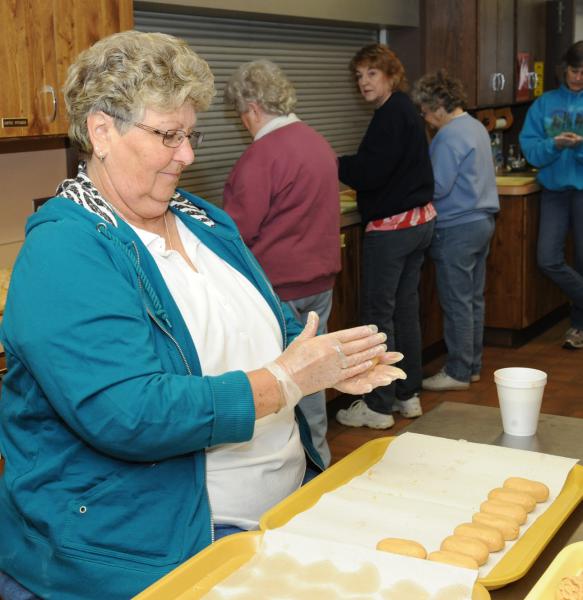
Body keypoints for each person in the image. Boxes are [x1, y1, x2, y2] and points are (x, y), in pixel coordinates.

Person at [0, 31, 406, 600]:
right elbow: (130, 414)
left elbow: (273, 326)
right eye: (168, 135)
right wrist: (284, 382)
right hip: (144, 552)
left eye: (192, 134)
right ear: (102, 131)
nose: (187, 155)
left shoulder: (204, 221)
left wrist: (327, 362)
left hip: (275, 520)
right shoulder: (66, 252)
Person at [222, 59, 341, 467]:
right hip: (320, 283)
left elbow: (235, 235)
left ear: (252, 107)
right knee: (314, 377)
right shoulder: (318, 143)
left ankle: (292, 472)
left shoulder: (261, 158)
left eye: (241, 115)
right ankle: (320, 463)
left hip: (278, 290)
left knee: (283, 384)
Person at [335, 43, 435, 430]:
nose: (364, 82)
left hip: (392, 231)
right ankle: (407, 395)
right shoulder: (405, 110)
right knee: (405, 312)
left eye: (371, 74)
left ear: (391, 75)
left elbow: (369, 172)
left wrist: (335, 163)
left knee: (378, 317)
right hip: (419, 224)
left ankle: (378, 405)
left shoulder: (389, 116)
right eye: (359, 76)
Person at [411, 70, 500, 391]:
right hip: (482, 222)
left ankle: (459, 371)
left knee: (457, 301)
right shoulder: (475, 126)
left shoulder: (448, 136)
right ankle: (472, 364)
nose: (424, 117)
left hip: (456, 227)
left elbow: (437, 186)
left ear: (437, 106)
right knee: (474, 299)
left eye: (424, 111)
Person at [519, 40, 583, 350]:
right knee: (548, 258)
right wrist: (554, 145)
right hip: (554, 192)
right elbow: (530, 151)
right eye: (574, 70)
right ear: (564, 69)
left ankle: (578, 328)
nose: (578, 78)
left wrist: (580, 147)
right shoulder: (543, 105)